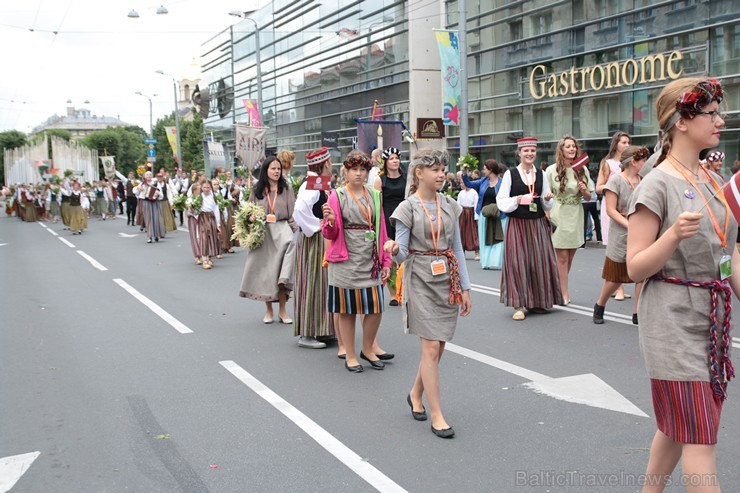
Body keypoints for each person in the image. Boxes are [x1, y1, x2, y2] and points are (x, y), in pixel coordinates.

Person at [627, 77, 734, 493]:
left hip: (710, 318)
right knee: (700, 437)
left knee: (679, 426)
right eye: (711, 113)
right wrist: (671, 235)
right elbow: (635, 267)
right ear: (683, 121)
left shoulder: (709, 179)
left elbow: (729, 257)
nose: (720, 120)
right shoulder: (656, 182)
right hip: (672, 323)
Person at [384, 148, 472, 439]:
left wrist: (466, 288)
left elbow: (457, 247)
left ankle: (415, 393)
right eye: (434, 170)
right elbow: (403, 252)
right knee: (431, 348)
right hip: (419, 276)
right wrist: (395, 251)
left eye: (443, 169)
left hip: (447, 276)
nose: (441, 174)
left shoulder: (449, 204)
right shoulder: (407, 208)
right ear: (419, 173)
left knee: (440, 346)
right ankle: (437, 415)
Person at [322, 150, 392, 373]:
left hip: (370, 256)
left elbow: (382, 230)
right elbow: (329, 234)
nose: (359, 174)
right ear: (346, 171)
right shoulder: (337, 195)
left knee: (376, 306)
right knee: (347, 309)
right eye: (354, 170)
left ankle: (368, 348)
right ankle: (350, 355)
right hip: (345, 259)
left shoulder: (374, 195)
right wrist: (330, 222)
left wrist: (387, 261)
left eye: (363, 169)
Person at [497, 137, 563, 320]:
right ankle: (518, 304)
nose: (529, 154)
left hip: (537, 223)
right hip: (517, 223)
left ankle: (537, 302)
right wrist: (517, 200)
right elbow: (501, 201)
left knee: (539, 262)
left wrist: (548, 199)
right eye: (526, 151)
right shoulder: (511, 174)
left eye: (532, 151)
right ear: (519, 153)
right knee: (517, 263)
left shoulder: (541, 174)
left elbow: (545, 204)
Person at [592, 146, 649, 325]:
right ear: (633, 162)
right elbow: (611, 210)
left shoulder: (644, 180)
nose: (645, 164)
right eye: (643, 160)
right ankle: (600, 305)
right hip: (621, 233)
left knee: (642, 274)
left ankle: (637, 314)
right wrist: (630, 225)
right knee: (615, 278)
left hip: (642, 233)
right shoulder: (616, 181)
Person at [239, 156, 297, 324]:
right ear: (266, 170)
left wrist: (296, 231)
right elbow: (249, 212)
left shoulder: (286, 188)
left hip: (282, 231)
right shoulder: (257, 190)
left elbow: (292, 213)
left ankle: (283, 311)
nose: (276, 171)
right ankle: (269, 310)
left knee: (282, 273)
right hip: (264, 233)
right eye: (273, 168)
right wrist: (250, 219)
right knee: (267, 273)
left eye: (278, 168)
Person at [292, 147, 336, 349]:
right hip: (314, 241)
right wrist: (316, 226)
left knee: (320, 283)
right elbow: (299, 210)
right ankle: (307, 334)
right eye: (330, 161)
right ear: (326, 163)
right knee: (312, 282)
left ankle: (321, 329)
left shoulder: (317, 182)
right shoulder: (314, 183)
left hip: (317, 237)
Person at [546, 135, 594, 304]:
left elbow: (588, 197)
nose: (572, 149)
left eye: (573, 146)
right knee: (562, 257)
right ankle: (563, 293)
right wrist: (547, 203)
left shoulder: (582, 169)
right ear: (561, 149)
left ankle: (559, 287)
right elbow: (545, 194)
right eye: (568, 146)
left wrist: (583, 189)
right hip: (559, 212)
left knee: (570, 256)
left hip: (576, 213)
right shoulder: (551, 170)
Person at [596, 131, 630, 299]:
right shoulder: (607, 163)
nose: (627, 145)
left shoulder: (630, 163)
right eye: (624, 142)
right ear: (616, 144)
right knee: (615, 248)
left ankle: (616, 284)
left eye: (628, 142)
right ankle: (619, 288)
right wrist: (615, 184)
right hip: (611, 207)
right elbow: (598, 187)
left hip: (627, 208)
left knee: (627, 247)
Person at [373, 147, 407, 306]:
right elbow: (376, 203)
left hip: (404, 218)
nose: (395, 161)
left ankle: (405, 289)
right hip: (387, 218)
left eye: (397, 158)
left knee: (405, 254)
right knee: (391, 256)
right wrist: (377, 223)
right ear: (386, 162)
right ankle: (394, 294)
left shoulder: (406, 178)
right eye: (392, 158)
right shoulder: (380, 179)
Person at [460, 159, 506, 269]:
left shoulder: (502, 182)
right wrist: (464, 174)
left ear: (490, 170)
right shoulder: (483, 181)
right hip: (484, 215)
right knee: (484, 239)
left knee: (499, 239)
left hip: (499, 215)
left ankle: (497, 262)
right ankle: (486, 262)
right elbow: (468, 184)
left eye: (485, 168)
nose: (483, 170)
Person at [196, 179, 221, 269]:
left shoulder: (213, 196)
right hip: (203, 218)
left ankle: (209, 257)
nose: (206, 189)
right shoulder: (199, 197)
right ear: (201, 188)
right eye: (204, 187)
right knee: (204, 238)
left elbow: (216, 209)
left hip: (211, 218)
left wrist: (218, 223)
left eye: (208, 187)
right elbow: (196, 210)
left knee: (212, 238)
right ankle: (204, 259)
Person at [136, 171, 166, 244]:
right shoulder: (142, 184)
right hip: (146, 202)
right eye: (147, 175)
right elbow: (137, 193)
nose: (149, 176)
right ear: (145, 176)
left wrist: (158, 194)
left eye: (150, 175)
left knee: (156, 219)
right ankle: (149, 236)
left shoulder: (156, 183)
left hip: (155, 203)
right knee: (148, 219)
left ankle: (156, 235)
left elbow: (161, 195)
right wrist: (138, 189)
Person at [456, 174, 479, 259]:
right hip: (463, 213)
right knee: (462, 232)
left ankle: (477, 252)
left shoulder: (474, 193)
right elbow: (458, 204)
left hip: (470, 213)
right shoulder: (461, 193)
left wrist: (476, 217)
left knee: (472, 232)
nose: (461, 185)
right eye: (461, 183)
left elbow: (476, 205)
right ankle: (462, 252)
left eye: (462, 183)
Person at [185, 183, 202, 265]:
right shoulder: (189, 200)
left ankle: (204, 254)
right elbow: (188, 211)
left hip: (201, 218)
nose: (201, 190)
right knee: (194, 237)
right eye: (199, 189)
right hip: (193, 219)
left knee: (202, 237)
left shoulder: (202, 198)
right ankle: (196, 256)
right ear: (195, 191)